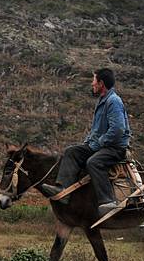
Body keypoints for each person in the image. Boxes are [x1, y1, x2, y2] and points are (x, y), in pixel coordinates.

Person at [41, 68, 131, 215]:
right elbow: (96, 129)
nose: (92, 83)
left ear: (101, 83)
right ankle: (63, 190)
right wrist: (88, 142)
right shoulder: (102, 100)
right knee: (71, 152)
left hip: (115, 148)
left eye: (94, 80)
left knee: (94, 162)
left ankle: (108, 201)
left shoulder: (113, 101)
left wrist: (100, 142)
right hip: (99, 145)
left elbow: (118, 130)